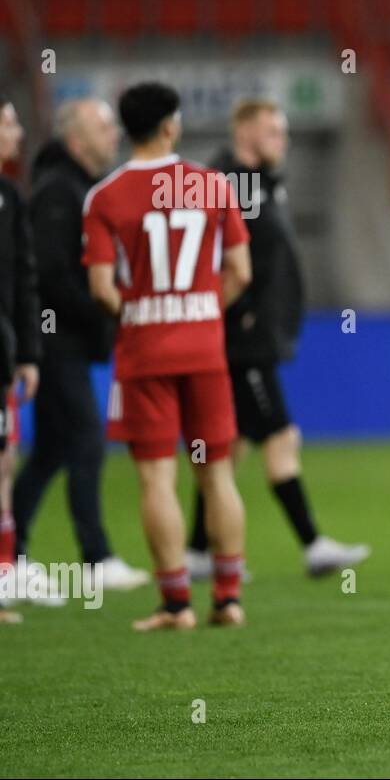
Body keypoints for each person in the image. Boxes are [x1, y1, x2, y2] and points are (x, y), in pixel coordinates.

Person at [83, 81, 252, 630]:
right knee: (215, 472)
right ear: (170, 126)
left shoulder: (105, 197)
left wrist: (139, 313)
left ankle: (176, 603)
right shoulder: (213, 185)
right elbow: (240, 272)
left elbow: (103, 288)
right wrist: (201, 311)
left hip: (145, 356)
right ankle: (228, 597)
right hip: (205, 350)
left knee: (156, 478)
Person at [186, 98, 368, 580]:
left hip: (255, 334)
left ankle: (198, 550)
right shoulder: (234, 182)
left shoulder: (262, 183)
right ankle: (312, 545)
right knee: (282, 436)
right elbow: (218, 255)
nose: (282, 140)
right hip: (242, 339)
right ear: (244, 131)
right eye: (272, 131)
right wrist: (239, 313)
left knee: (233, 442)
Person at [12, 99, 149, 592]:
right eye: (103, 125)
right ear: (76, 140)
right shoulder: (58, 191)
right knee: (88, 438)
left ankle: (12, 550)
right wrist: (103, 308)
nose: (114, 133)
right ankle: (96, 557)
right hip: (56, 340)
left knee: (51, 450)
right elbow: (49, 273)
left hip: (64, 338)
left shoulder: (77, 187)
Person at [0, 93, 41, 623]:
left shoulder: (10, 197)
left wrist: (28, 352)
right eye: (7, 120)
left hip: (1, 355)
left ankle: (5, 575)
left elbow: (24, 281)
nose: (17, 129)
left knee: (4, 465)